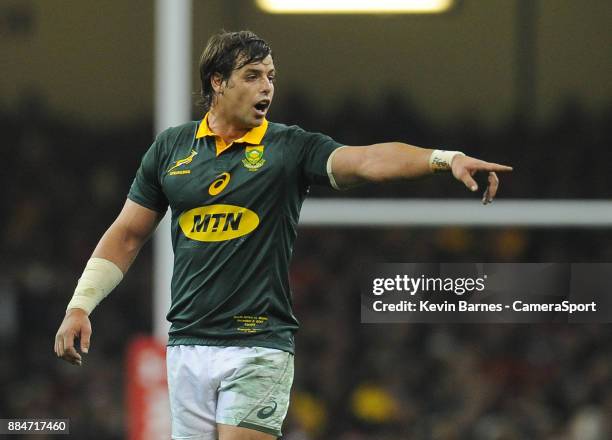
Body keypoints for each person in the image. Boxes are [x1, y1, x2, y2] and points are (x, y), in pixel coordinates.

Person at [54, 30, 512, 440]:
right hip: (188, 344)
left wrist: (444, 157)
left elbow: (367, 160)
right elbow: (128, 234)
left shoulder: (290, 148)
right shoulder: (172, 148)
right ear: (217, 81)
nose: (267, 87)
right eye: (252, 76)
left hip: (258, 344)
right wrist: (81, 305)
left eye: (270, 76)